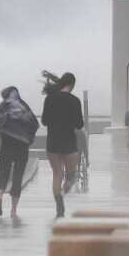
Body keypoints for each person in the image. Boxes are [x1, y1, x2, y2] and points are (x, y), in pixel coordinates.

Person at [41, 71, 84, 217]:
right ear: (72, 85)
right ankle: (61, 195)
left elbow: (44, 121)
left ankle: (58, 201)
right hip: (69, 142)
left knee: (57, 173)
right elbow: (79, 124)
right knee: (71, 176)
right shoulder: (75, 100)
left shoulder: (50, 99)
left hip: (52, 141)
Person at [0, 85, 38, 218]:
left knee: (4, 173)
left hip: (6, 143)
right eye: (15, 92)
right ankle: (13, 211)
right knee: (18, 176)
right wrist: (28, 137)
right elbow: (34, 123)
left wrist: (4, 131)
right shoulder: (23, 105)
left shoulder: (2, 107)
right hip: (22, 146)